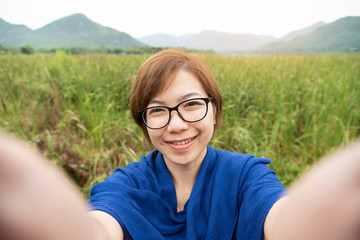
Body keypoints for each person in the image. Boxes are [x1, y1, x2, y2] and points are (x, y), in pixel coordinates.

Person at [0, 49, 359, 240]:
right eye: (157, 111)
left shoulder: (246, 176)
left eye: (191, 105)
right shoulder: (128, 184)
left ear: (214, 111)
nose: (176, 124)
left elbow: (281, 219)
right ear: (143, 122)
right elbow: (100, 224)